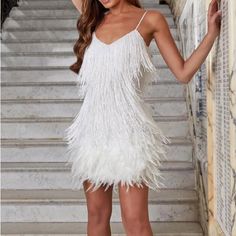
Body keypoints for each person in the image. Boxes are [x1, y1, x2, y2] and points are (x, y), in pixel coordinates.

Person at [64, 0, 221, 235]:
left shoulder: (150, 19)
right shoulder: (93, 15)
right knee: (96, 217)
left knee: (134, 220)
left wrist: (211, 34)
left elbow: (183, 72)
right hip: (92, 133)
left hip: (130, 134)